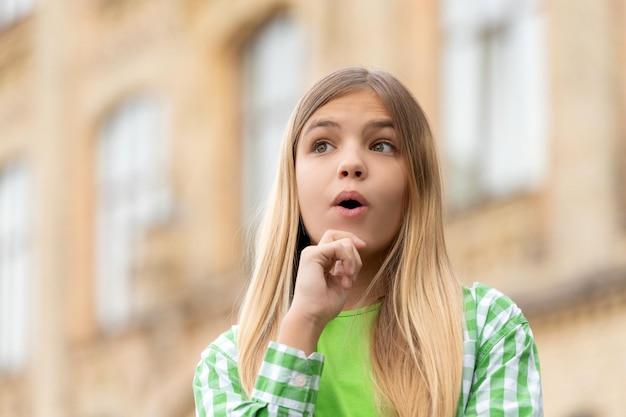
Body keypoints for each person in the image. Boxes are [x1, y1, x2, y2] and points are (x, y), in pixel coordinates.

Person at [193, 67, 543, 416]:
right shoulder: (226, 366)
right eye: (322, 145)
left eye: (382, 145)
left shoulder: (487, 329)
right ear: (293, 180)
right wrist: (302, 326)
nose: (351, 164)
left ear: (415, 182)